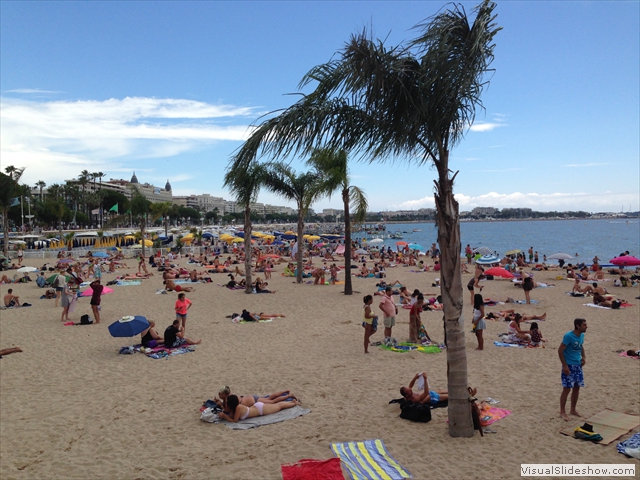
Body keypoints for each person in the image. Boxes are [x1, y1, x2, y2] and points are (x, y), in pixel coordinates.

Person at [558, 318, 588, 421]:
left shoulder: (582, 336)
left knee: (577, 388)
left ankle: (573, 409)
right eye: (584, 325)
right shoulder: (568, 336)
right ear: (578, 326)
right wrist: (565, 366)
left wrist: (583, 357)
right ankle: (562, 411)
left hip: (578, 365)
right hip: (569, 365)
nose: (586, 326)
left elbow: (581, 346)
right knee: (566, 389)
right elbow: (560, 351)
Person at [218, 394, 300, 423]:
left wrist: (225, 416)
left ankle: (294, 403)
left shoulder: (238, 407)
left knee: (279, 406)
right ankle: (292, 402)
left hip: (261, 409)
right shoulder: (235, 408)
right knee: (277, 405)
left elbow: (234, 421)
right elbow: (231, 417)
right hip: (257, 407)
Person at [215, 386, 297, 414]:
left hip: (254, 401)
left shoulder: (228, 400)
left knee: (272, 401)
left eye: (220, 393)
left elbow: (228, 410)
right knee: (269, 398)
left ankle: (289, 395)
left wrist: (220, 404)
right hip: (252, 398)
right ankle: (285, 391)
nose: (219, 394)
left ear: (225, 394)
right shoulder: (230, 396)